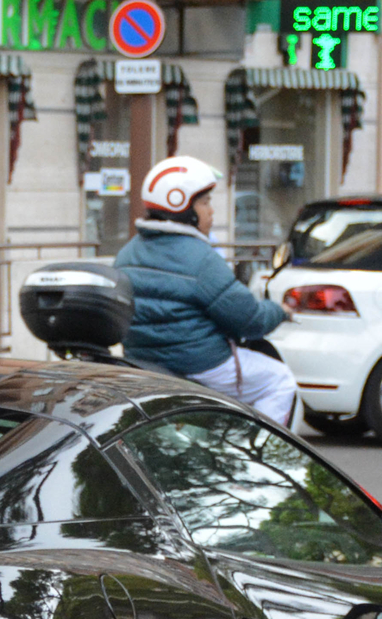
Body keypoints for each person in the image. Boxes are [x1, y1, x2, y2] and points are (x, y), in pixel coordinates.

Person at [115, 155, 299, 426]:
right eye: (204, 202)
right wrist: (280, 311)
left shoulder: (127, 252)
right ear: (182, 208)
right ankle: (254, 464)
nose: (211, 211)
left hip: (143, 361)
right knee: (279, 380)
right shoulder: (201, 258)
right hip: (201, 364)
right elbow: (250, 320)